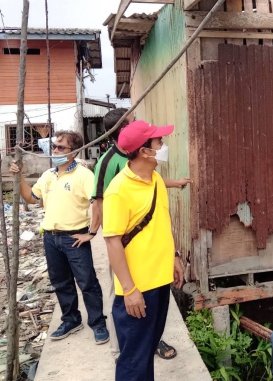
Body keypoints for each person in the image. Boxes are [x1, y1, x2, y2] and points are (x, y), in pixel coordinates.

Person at [91, 108, 188, 360]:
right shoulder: (118, 190)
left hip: (160, 280)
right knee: (134, 360)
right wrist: (129, 289)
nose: (163, 143)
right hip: (138, 288)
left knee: (147, 349)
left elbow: (162, 224)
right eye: (159, 141)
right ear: (144, 151)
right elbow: (112, 242)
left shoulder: (155, 179)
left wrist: (174, 257)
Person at [11, 130, 109, 344]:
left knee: (87, 282)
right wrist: (19, 176)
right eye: (54, 146)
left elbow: (97, 203)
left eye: (61, 147)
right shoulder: (48, 175)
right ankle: (71, 320)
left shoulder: (84, 175)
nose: (55, 150)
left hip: (74, 238)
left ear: (73, 152)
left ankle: (98, 322)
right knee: (61, 282)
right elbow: (30, 197)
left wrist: (91, 233)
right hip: (51, 238)